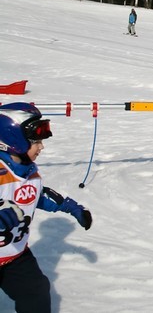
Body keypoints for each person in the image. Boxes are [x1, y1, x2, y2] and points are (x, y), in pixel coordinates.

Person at [0, 103, 92, 313]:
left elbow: (36, 196)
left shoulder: (28, 172)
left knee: (36, 292)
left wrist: (72, 208)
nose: (41, 147)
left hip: (14, 256)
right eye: (36, 142)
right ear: (15, 142)